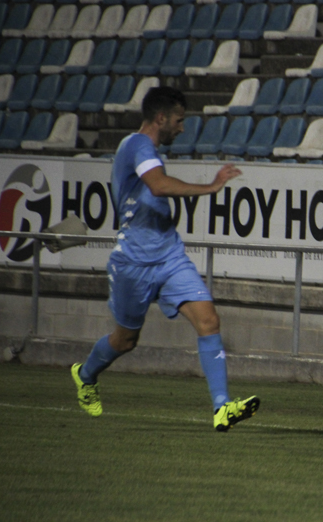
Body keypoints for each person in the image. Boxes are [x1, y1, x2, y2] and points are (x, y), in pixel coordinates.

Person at [71, 86, 260, 432]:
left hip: (169, 256)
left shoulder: (148, 151)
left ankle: (222, 407)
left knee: (209, 321)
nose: (182, 128)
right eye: (179, 120)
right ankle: (85, 375)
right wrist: (211, 187)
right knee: (125, 340)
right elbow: (158, 186)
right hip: (133, 262)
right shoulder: (137, 145)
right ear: (161, 118)